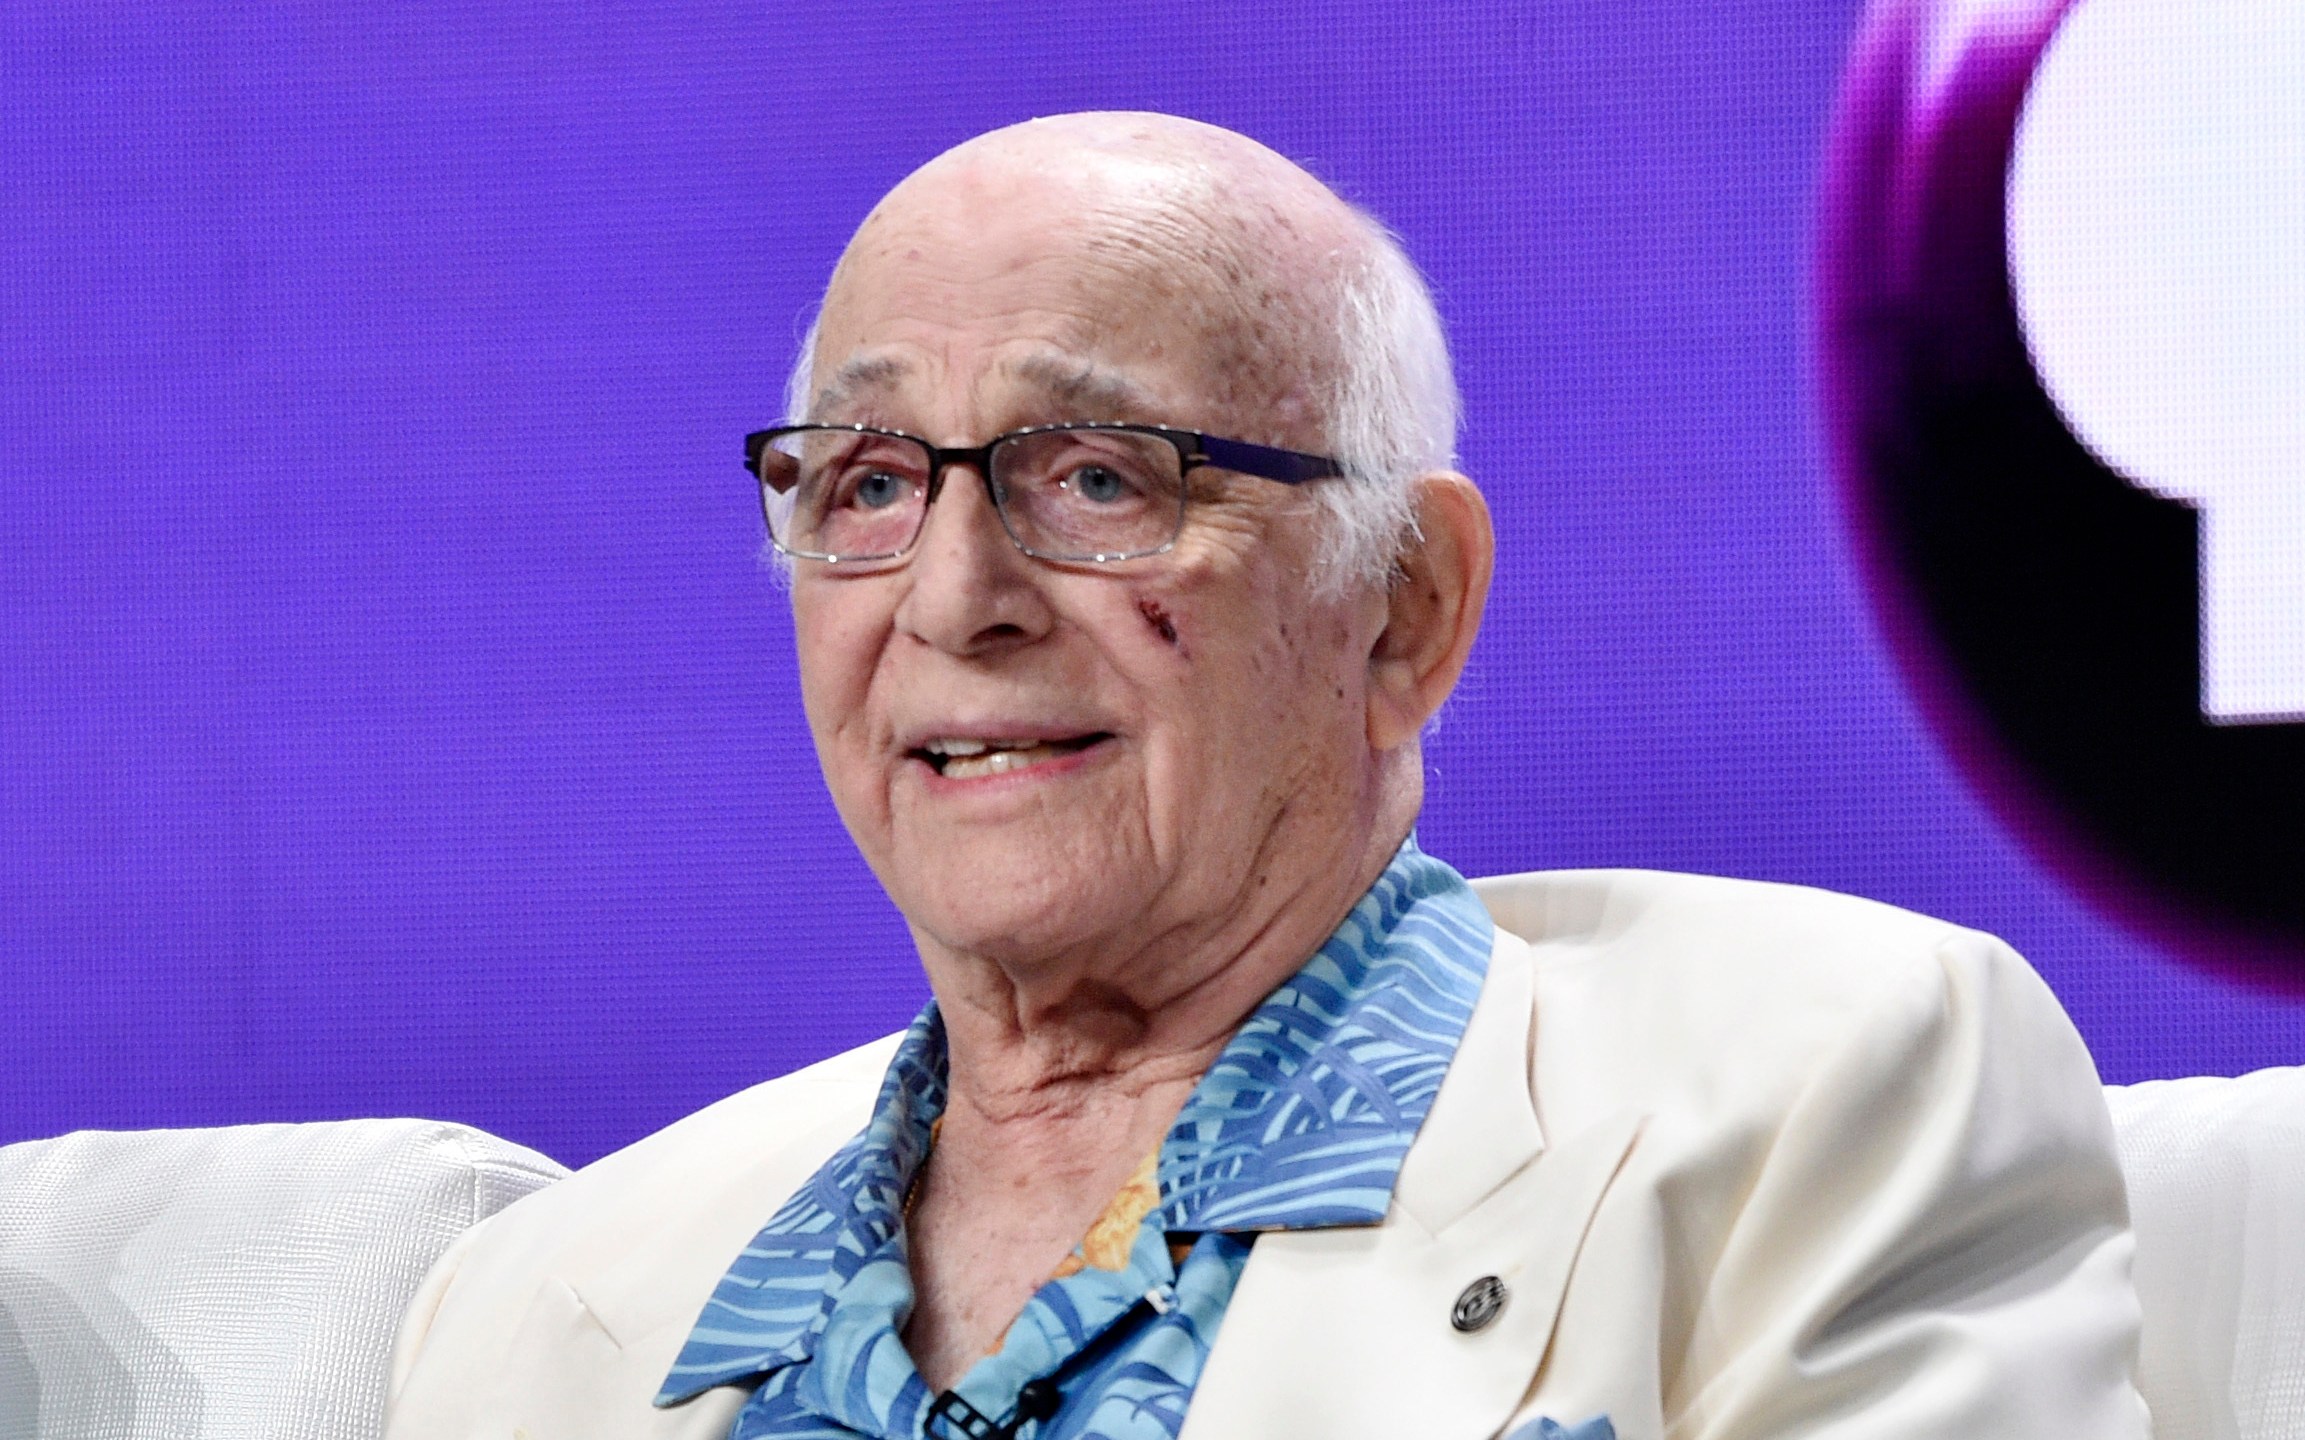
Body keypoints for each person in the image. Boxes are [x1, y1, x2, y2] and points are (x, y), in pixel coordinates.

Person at [383, 113, 2148, 1440]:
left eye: (1094, 478)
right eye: (863, 484)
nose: (953, 597)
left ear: (1402, 608)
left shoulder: (1814, 1100)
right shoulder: (528, 1318)